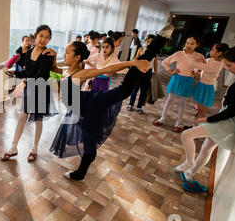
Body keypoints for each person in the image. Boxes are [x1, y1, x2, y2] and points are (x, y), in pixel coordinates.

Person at [49, 25, 173, 181]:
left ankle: (159, 41)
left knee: (124, 90)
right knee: (89, 139)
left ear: (77, 57)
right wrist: (53, 56)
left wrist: (132, 64)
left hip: (90, 105)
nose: (64, 54)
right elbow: (53, 68)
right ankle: (82, 170)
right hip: (80, 108)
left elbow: (108, 68)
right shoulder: (67, 70)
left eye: (67, 52)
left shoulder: (81, 73)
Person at [177, 45, 235, 193]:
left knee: (187, 135)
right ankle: (189, 173)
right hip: (229, 119)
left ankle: (189, 163)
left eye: (230, 66)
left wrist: (207, 119)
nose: (228, 69)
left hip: (228, 121)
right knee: (207, 148)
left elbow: (232, 111)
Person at [1, 25, 58, 162]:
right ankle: (13, 148)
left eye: (47, 37)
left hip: (41, 89)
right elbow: (26, 73)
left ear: (49, 40)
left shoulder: (48, 55)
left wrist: (25, 83)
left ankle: (35, 149)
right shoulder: (27, 53)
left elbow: (42, 75)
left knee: (38, 120)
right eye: (41, 36)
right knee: (22, 117)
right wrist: (14, 72)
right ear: (35, 35)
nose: (43, 39)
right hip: (29, 89)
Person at [153, 36, 205, 132]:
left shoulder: (199, 56)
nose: (189, 45)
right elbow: (165, 62)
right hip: (177, 78)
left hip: (188, 80)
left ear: (197, 45)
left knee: (182, 102)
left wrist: (196, 74)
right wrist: (171, 70)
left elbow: (202, 70)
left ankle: (178, 122)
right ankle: (162, 118)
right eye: (187, 43)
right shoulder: (179, 53)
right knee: (170, 99)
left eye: (192, 43)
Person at [189, 43, 229, 122]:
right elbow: (202, 68)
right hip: (201, 85)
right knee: (200, 109)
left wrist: (190, 54)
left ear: (219, 53)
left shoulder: (217, 65)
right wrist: (197, 72)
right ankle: (196, 126)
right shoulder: (210, 60)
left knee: (202, 112)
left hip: (207, 88)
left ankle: (197, 129)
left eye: (213, 49)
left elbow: (195, 64)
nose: (210, 51)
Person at [127, 34, 157, 113]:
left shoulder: (154, 52)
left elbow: (155, 63)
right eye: (148, 41)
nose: (149, 43)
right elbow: (135, 59)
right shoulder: (141, 50)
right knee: (135, 89)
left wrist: (155, 73)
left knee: (143, 91)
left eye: (152, 42)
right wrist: (131, 67)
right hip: (139, 72)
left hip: (148, 73)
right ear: (145, 42)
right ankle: (130, 105)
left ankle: (139, 107)